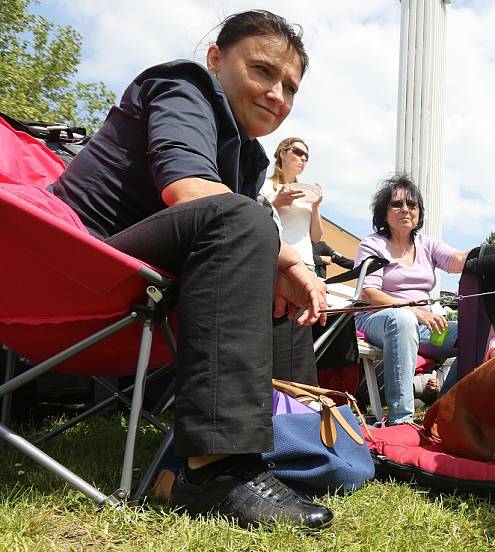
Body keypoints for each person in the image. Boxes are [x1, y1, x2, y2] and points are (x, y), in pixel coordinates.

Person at [49, 10, 333, 530]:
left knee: (283, 290)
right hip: (78, 274)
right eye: (263, 72)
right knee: (250, 226)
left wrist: (283, 273)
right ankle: (215, 471)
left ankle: (300, 447)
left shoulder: (248, 158)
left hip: (148, 287)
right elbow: (189, 189)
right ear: (216, 58)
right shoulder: (185, 86)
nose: (278, 95)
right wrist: (290, 258)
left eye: (290, 87)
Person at [354, 174, 467, 425]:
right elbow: (369, 293)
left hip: (423, 328)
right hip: (376, 320)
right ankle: (400, 421)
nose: (406, 209)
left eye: (412, 204)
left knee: (473, 335)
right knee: (402, 319)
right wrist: (416, 313)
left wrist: (490, 254)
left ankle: (442, 411)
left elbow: (458, 260)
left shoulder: (427, 244)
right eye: (397, 204)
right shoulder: (372, 244)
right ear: (384, 213)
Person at [258, 137, 323, 271]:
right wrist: (276, 204)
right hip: (276, 258)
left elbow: (316, 238)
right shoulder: (265, 185)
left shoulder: (307, 193)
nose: (303, 158)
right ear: (282, 154)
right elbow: (254, 221)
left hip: (305, 263)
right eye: (298, 152)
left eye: (306, 156)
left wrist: (316, 206)